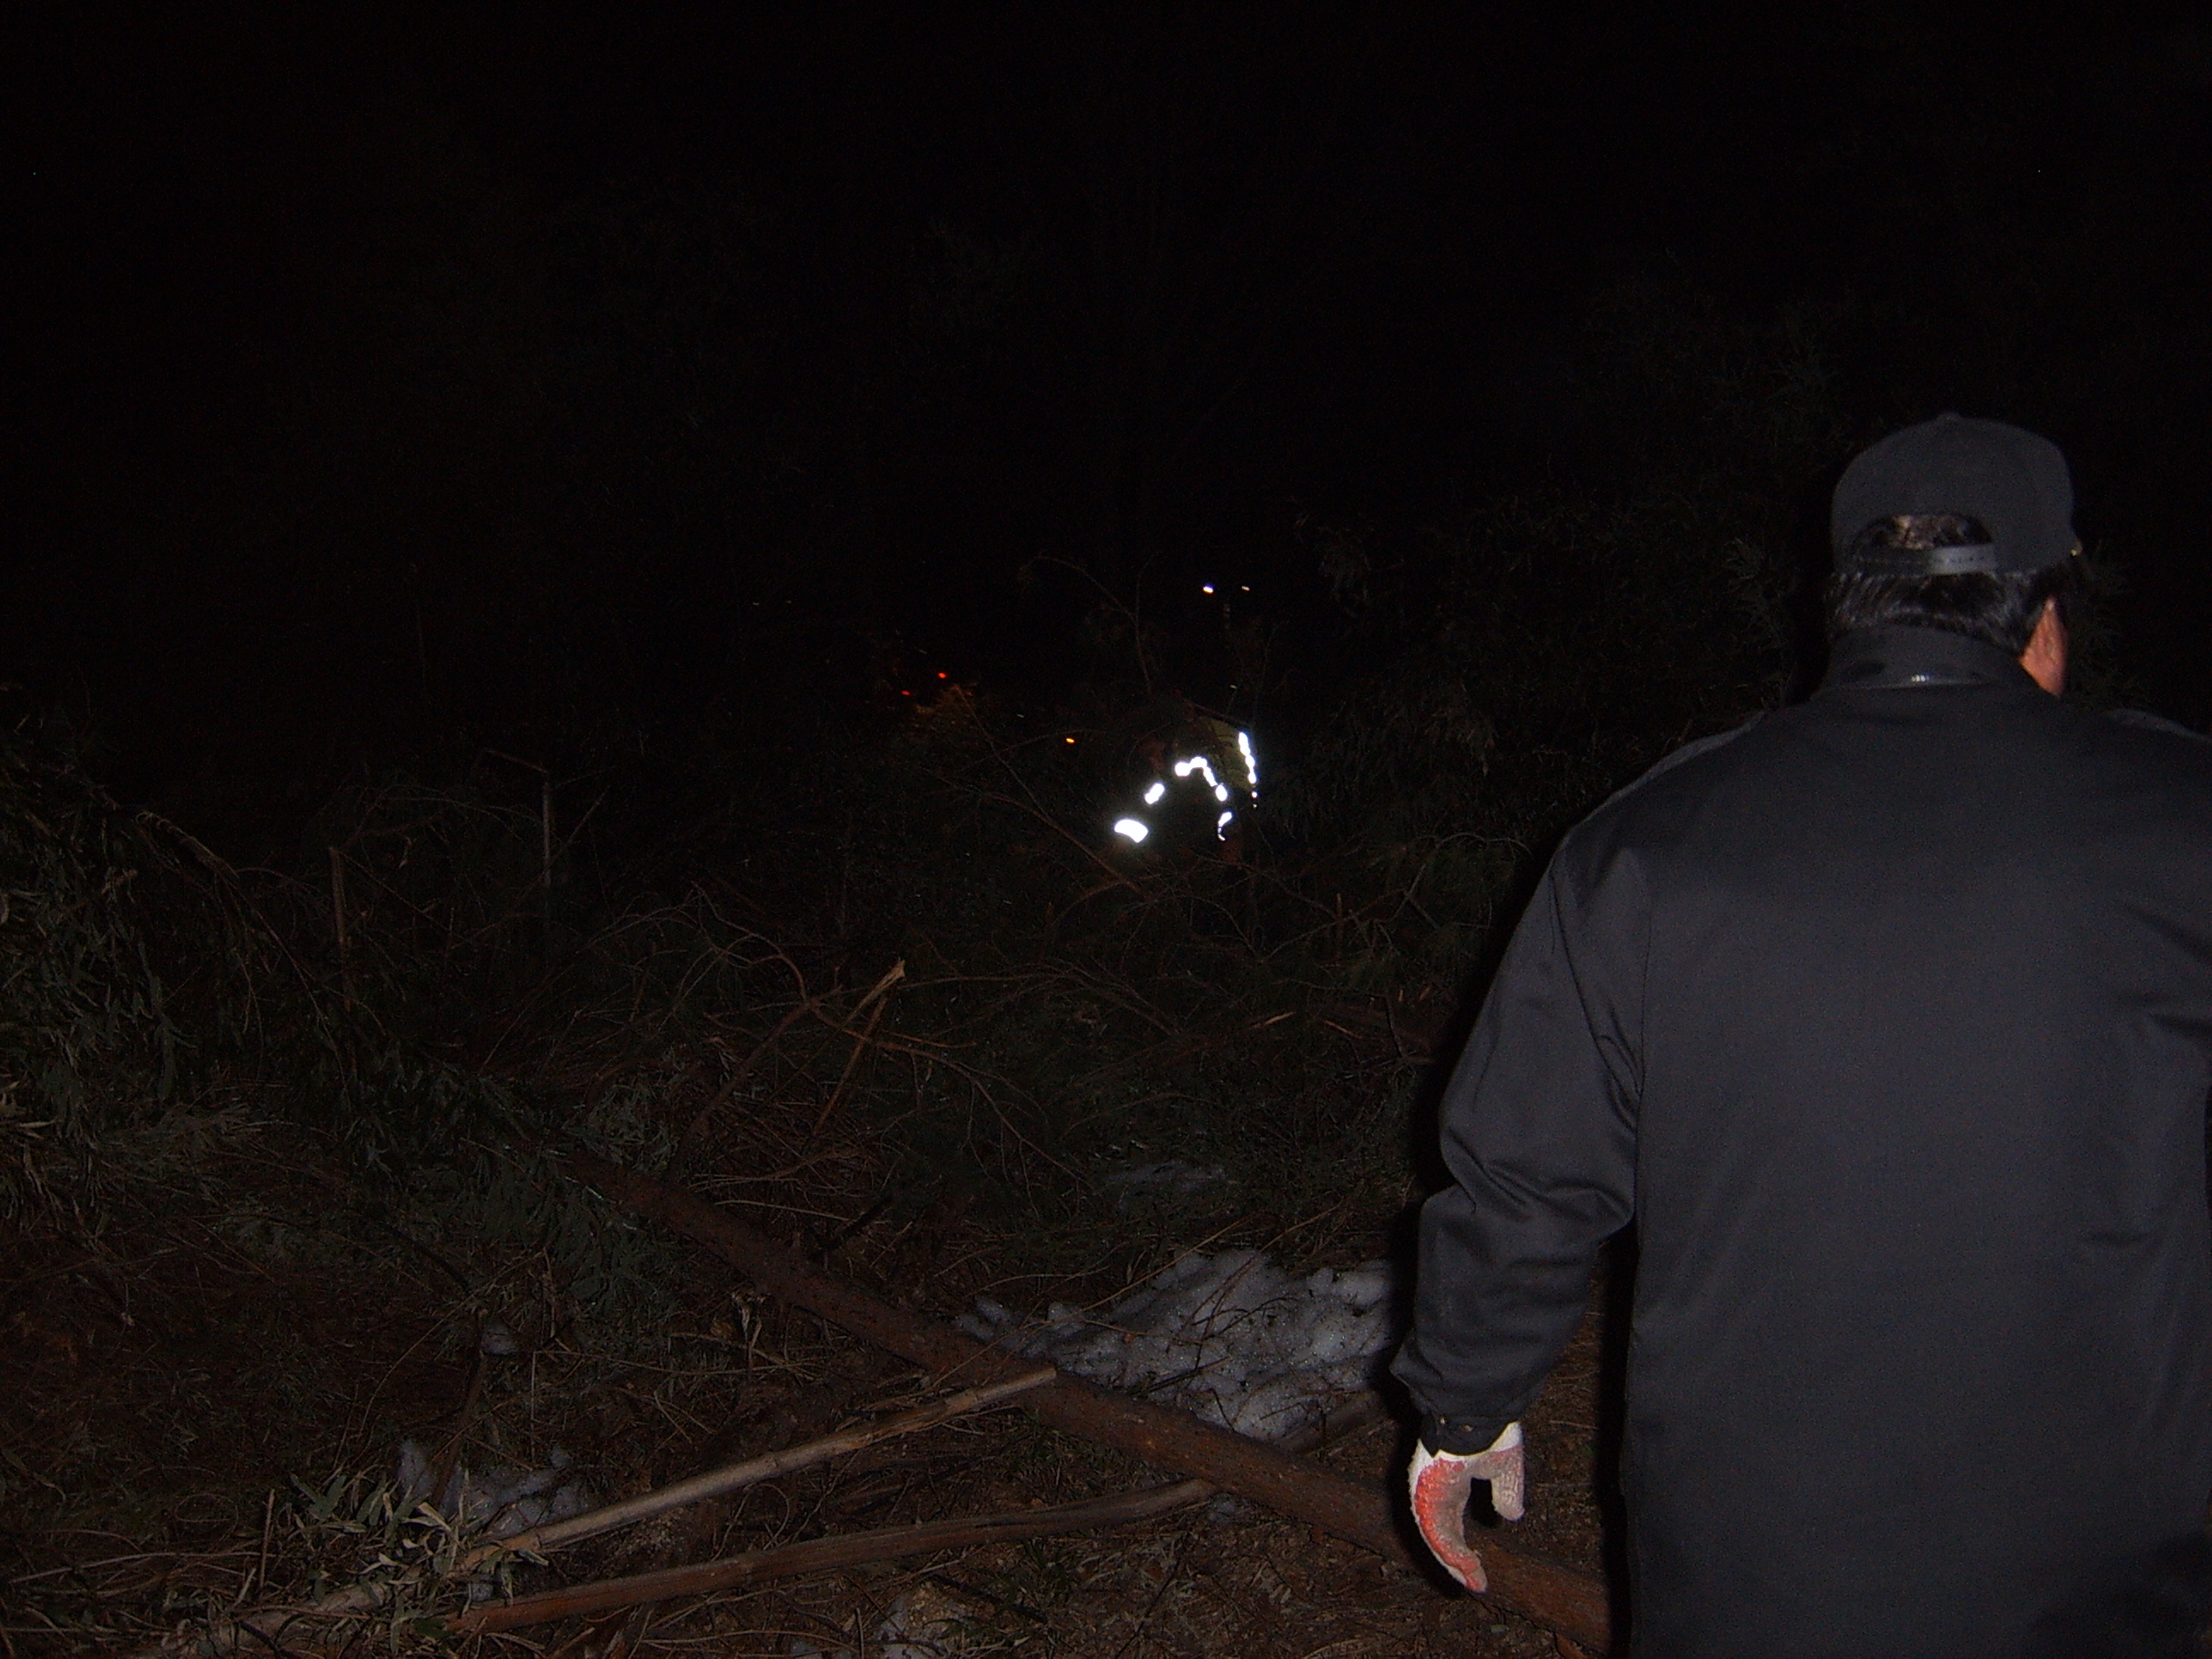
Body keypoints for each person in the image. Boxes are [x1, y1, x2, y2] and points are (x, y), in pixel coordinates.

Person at [1392, 414, 2212, 1657]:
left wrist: (1464, 1408)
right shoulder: (2180, 822)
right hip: (2096, 1558)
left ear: (1845, 608)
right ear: (2046, 612)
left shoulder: (1653, 840)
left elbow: (1526, 1171)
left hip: (1754, 1566)